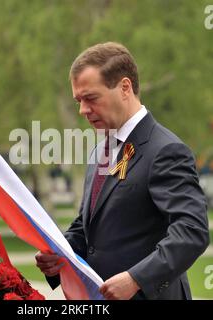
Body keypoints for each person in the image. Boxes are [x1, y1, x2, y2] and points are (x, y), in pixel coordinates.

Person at [35, 42, 210, 300]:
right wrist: (61, 253)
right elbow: (89, 228)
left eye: (91, 98)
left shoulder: (166, 150)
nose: (83, 110)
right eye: (78, 101)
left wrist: (136, 279)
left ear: (125, 88)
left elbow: (192, 230)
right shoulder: (100, 150)